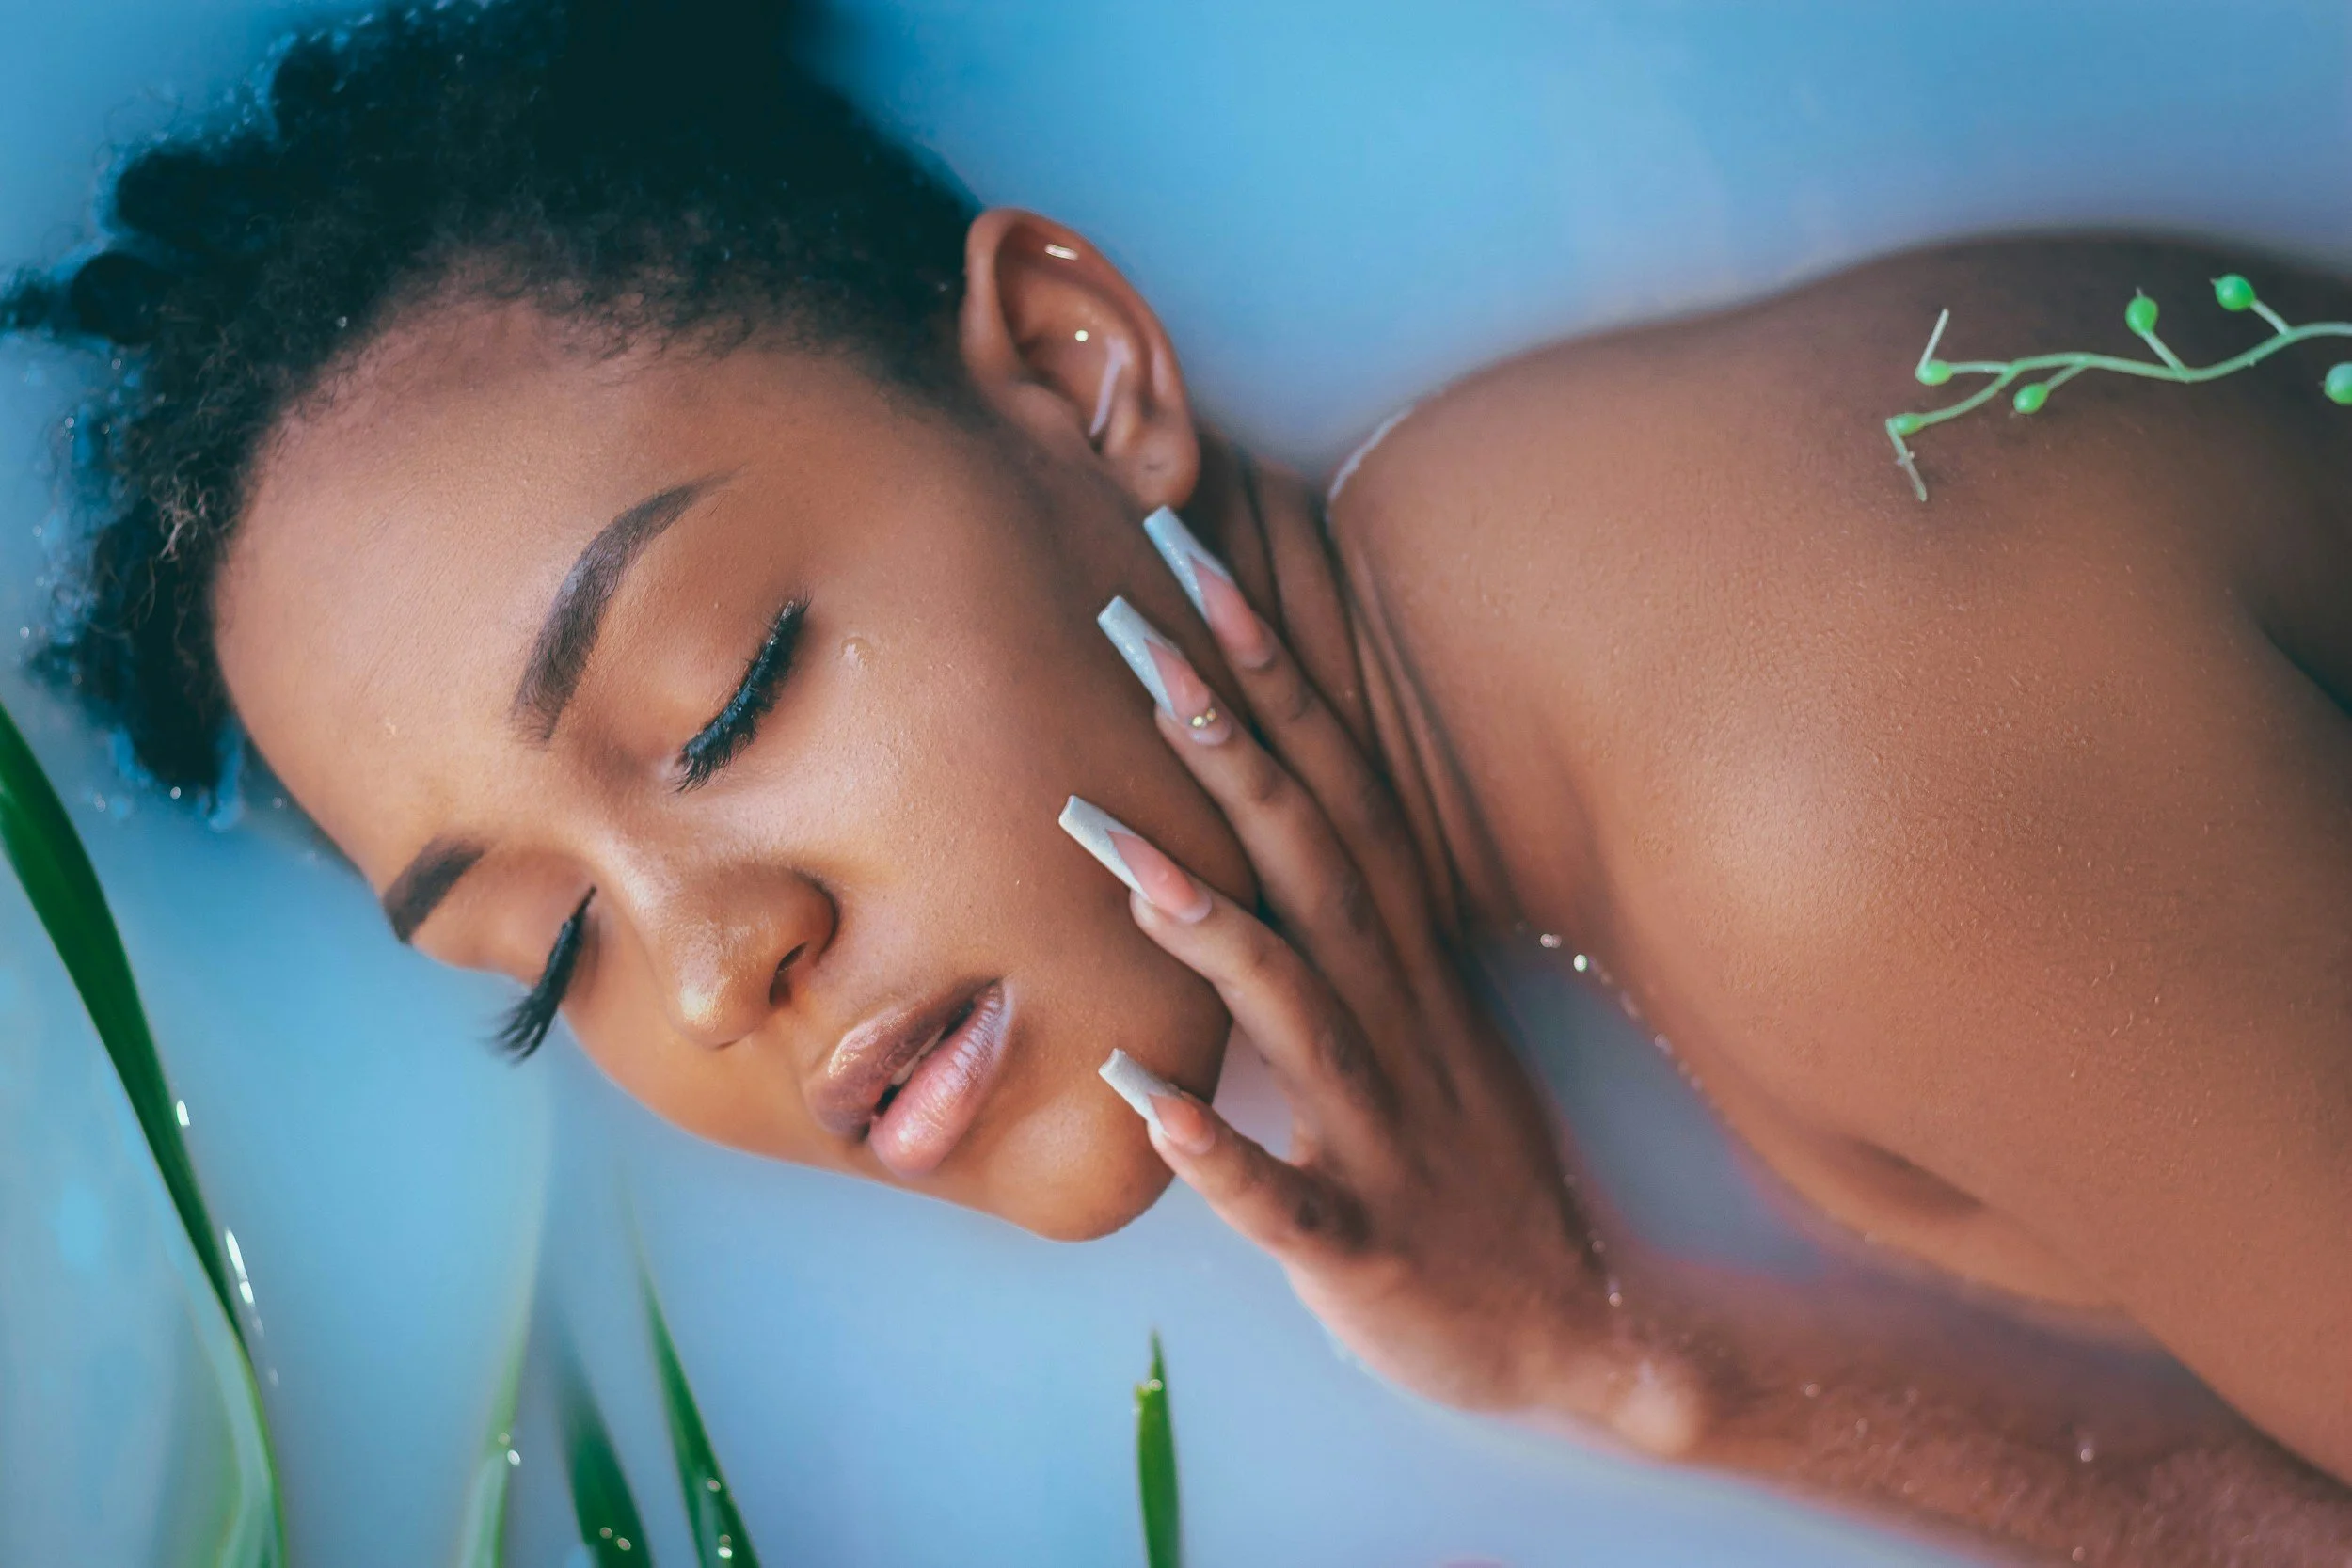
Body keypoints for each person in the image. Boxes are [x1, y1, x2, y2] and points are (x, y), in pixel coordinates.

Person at [7, 1, 2347, 1560]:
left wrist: (1639, 1368)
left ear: (1077, 366)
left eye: (722, 697)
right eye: (547, 957)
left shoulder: (1815, 792)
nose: (719, 962)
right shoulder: (1585, 563)